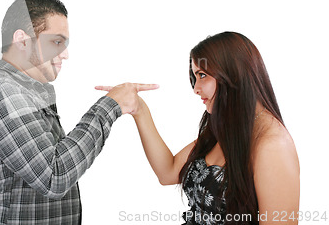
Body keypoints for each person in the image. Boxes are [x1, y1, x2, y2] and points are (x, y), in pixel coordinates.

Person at [0, 0, 158, 224]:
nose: (64, 54)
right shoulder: (0, 94)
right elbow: (54, 176)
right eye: (56, 42)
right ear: (22, 40)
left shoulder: (24, 92)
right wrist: (110, 106)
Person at [97, 31, 300, 225]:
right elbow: (168, 172)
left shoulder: (273, 145)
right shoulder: (227, 128)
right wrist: (139, 110)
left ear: (233, 74)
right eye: (195, 77)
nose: (195, 88)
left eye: (202, 75)